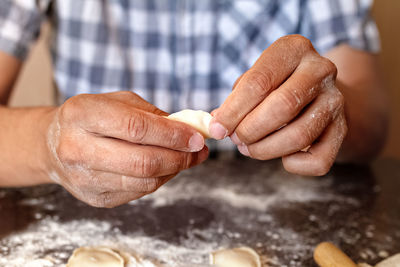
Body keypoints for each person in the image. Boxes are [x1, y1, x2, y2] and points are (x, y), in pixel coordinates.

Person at [0, 1, 388, 207]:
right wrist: (47, 143)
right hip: (87, 211)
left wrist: (324, 111)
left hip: (281, 213)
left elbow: (371, 124)